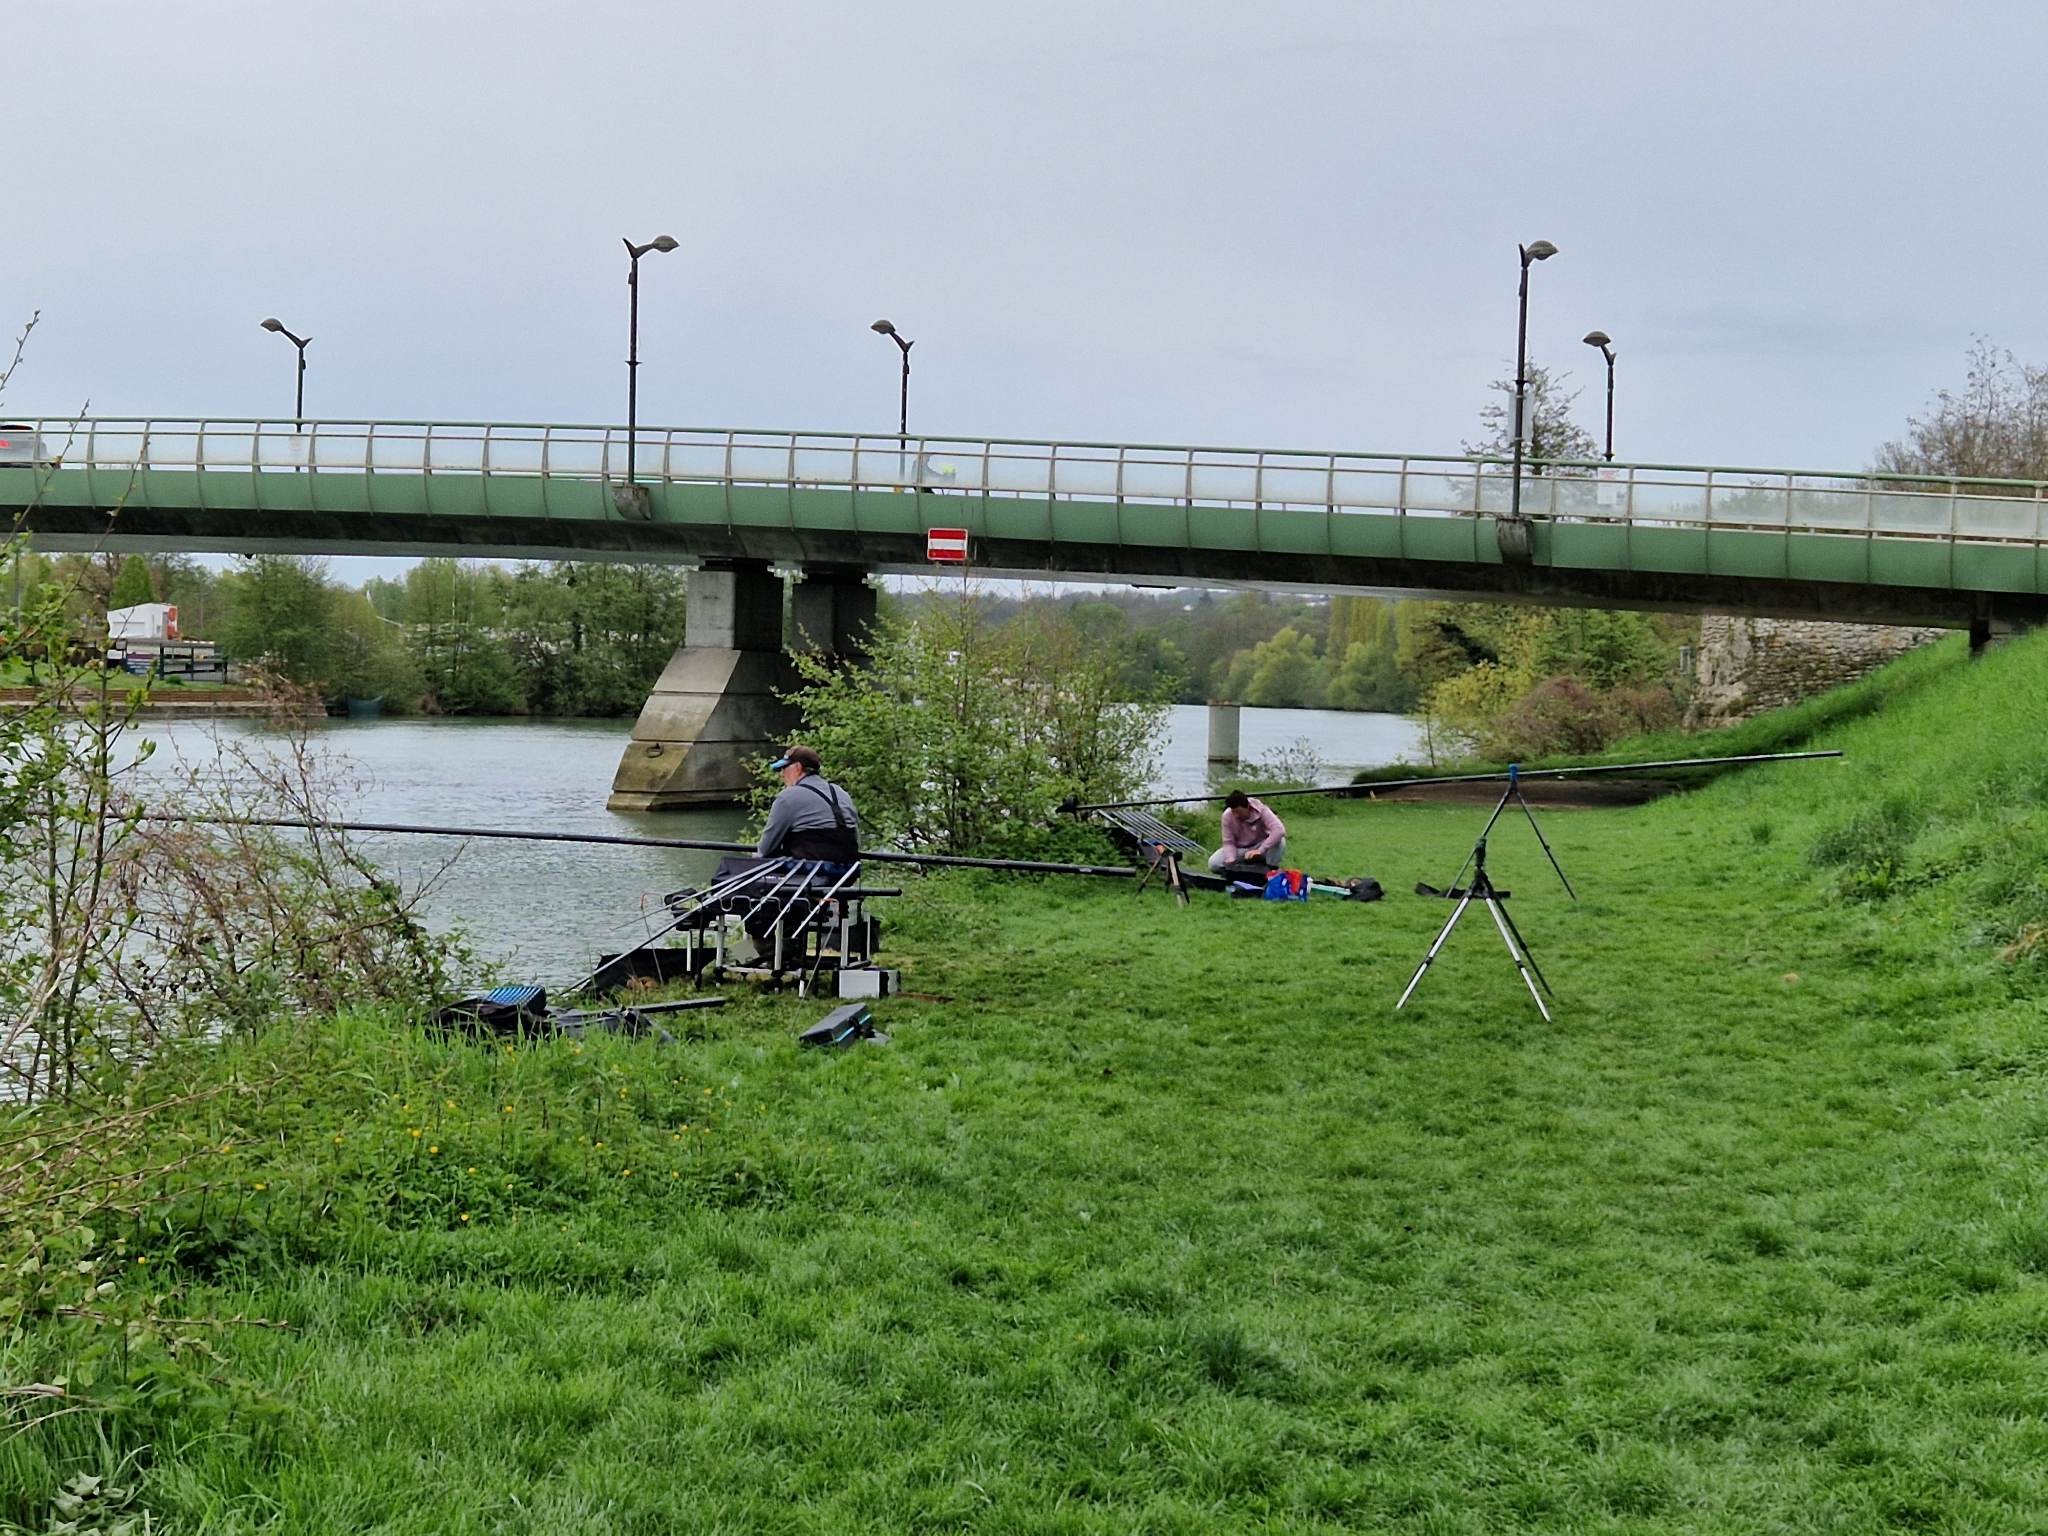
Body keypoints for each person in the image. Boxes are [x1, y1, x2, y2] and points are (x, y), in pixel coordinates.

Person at [756, 745, 860, 868]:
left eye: (784, 768)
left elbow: (765, 849)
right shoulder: (841, 792)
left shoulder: (788, 797)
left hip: (811, 874)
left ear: (798, 767)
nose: (781, 774)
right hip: (846, 872)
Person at [1209, 790, 1287, 873]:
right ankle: (1242, 870)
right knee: (1214, 863)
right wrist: (1231, 861)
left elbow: (1279, 830)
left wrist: (1260, 850)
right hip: (1239, 849)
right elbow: (1229, 842)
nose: (1236, 815)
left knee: (1280, 841)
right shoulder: (1227, 816)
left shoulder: (1262, 810)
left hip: (1260, 846)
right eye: (1233, 812)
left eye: (1239, 812)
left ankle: (1270, 869)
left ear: (1248, 807)